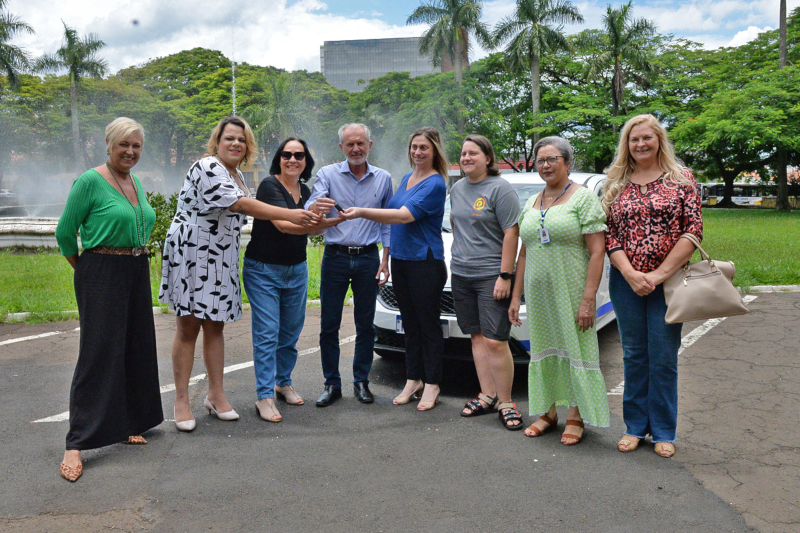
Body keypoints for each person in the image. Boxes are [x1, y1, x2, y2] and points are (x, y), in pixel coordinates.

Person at [160, 116, 318, 431]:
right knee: (188, 328)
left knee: (215, 328)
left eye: (241, 140)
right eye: (229, 138)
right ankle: (181, 401)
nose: (235, 143)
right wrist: (290, 212)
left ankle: (216, 396)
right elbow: (241, 206)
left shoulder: (237, 175)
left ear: (248, 147)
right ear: (216, 142)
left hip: (220, 259)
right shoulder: (207, 167)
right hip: (193, 255)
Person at [55, 117, 162, 482]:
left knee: (137, 346)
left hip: (135, 268)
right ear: (108, 144)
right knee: (98, 353)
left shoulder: (133, 181)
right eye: (124, 145)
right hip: (101, 269)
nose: (130, 152)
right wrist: (87, 269)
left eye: (136, 146)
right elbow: (65, 232)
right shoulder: (90, 181)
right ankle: (77, 442)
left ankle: (132, 421)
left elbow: (139, 223)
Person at [602, 114, 702, 458]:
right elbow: (608, 234)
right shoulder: (615, 182)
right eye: (634, 139)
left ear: (659, 140)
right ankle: (634, 427)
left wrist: (657, 276)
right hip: (624, 280)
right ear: (626, 145)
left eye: (647, 138)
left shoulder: (682, 179)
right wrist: (631, 274)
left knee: (662, 358)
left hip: (670, 282)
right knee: (634, 355)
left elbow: (693, 231)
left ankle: (662, 430)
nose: (641, 144)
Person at [510, 136, 610, 445]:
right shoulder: (531, 202)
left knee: (575, 349)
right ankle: (548, 412)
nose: (546, 165)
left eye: (553, 159)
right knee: (544, 349)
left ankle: (576, 416)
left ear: (567, 162)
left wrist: (588, 300)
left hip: (572, 291)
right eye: (541, 160)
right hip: (540, 297)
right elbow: (524, 252)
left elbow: (597, 251)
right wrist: (515, 296)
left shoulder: (582, 199)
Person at [341, 127, 448, 411]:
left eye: (424, 147)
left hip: (425, 263)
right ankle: (413, 379)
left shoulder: (435, 184)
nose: (417, 152)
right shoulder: (407, 178)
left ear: (435, 150)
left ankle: (433, 383)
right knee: (410, 326)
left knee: (428, 326)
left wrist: (361, 211)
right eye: (414, 147)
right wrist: (386, 259)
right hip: (401, 261)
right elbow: (391, 221)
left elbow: (403, 216)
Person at [242, 138, 344, 423]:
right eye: (286, 155)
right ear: (279, 158)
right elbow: (284, 225)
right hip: (263, 270)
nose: (292, 159)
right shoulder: (268, 186)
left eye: (299, 155)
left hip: (296, 270)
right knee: (267, 334)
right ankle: (264, 396)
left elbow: (310, 231)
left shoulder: (307, 190)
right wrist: (316, 219)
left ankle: (282, 382)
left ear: (305, 161)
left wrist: (336, 220)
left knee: (289, 334)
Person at [305, 123, 394, 407]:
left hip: (369, 256)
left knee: (365, 325)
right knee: (329, 324)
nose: (355, 149)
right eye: (349, 144)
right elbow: (310, 207)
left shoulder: (383, 178)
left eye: (360, 143)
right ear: (341, 147)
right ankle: (332, 384)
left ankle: (361, 381)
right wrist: (317, 207)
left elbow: (388, 221)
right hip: (336, 256)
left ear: (370, 145)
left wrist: (385, 259)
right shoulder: (327, 174)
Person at [450, 135, 522, 430]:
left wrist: (505, 275)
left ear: (488, 158)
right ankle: (487, 395)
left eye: (473, 153)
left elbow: (511, 232)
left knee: (496, 340)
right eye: (463, 153)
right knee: (477, 337)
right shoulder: (456, 188)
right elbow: (457, 225)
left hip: (491, 275)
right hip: (461, 273)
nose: (466, 158)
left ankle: (506, 401)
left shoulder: (500, 189)